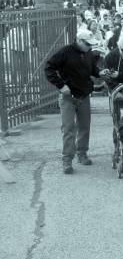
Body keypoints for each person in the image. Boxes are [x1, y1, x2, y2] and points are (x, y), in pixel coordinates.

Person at [44, 30, 110, 174]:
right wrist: (61, 85)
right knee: (68, 128)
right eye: (87, 44)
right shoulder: (65, 52)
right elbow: (48, 68)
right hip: (68, 97)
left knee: (84, 126)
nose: (89, 47)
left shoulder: (88, 53)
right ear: (79, 41)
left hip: (84, 95)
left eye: (90, 45)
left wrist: (99, 72)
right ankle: (67, 160)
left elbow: (92, 69)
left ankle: (82, 153)